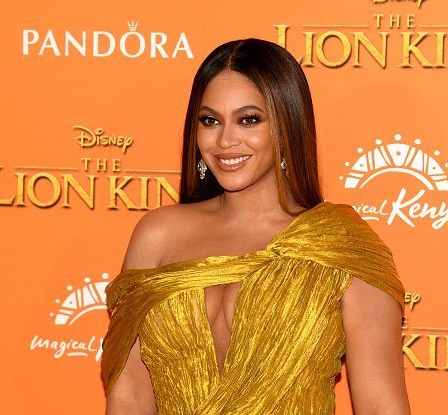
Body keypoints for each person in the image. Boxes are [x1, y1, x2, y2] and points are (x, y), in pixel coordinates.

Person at [101, 38, 411, 414]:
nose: (226, 140)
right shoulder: (157, 235)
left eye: (249, 119)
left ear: (287, 125)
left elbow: (381, 407)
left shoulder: (340, 247)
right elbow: (129, 394)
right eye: (210, 121)